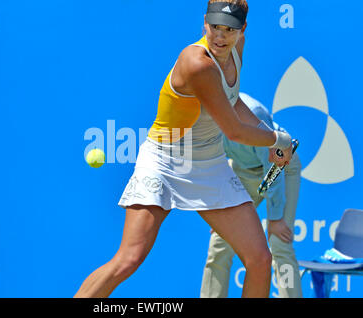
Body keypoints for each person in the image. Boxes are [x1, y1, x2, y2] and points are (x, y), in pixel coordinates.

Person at [74, 0, 293, 298]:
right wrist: (278, 140)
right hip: (164, 164)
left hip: (210, 164)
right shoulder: (197, 63)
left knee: (259, 259)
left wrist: (271, 135)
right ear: (205, 22)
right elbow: (234, 131)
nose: (220, 36)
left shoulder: (235, 50)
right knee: (128, 260)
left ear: (242, 31)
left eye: (229, 30)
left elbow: (234, 102)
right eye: (214, 27)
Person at [200, 92, 303, 298]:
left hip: (281, 166)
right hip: (242, 171)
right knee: (219, 243)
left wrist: (275, 219)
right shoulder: (199, 118)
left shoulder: (252, 113)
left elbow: (274, 164)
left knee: (278, 243)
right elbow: (213, 168)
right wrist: (219, 212)